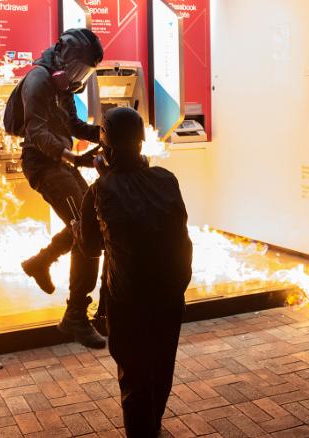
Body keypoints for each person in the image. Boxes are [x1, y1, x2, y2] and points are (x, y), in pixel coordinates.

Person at [74, 107, 193, 437]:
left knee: (134, 377)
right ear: (141, 144)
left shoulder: (99, 192)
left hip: (129, 301)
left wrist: (77, 226)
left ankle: (143, 431)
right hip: (170, 296)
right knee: (161, 368)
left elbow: (91, 248)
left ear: (107, 149)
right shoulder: (167, 180)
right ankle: (152, 425)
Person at [18, 28, 106, 349]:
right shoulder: (39, 80)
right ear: (64, 56)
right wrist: (73, 156)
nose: (78, 77)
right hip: (42, 164)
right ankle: (76, 316)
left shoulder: (63, 84)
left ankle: (40, 262)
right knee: (87, 229)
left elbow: (73, 126)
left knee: (92, 219)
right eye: (78, 68)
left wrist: (107, 133)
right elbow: (37, 132)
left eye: (85, 72)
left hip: (62, 163)